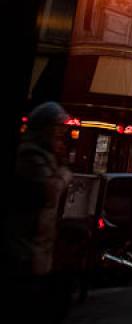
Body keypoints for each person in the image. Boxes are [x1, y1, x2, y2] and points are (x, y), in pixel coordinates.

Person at [2, 102, 74, 323]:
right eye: (57, 129)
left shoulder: (44, 155)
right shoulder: (31, 155)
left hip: (37, 246)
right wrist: (63, 171)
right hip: (25, 247)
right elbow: (49, 191)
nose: (61, 135)